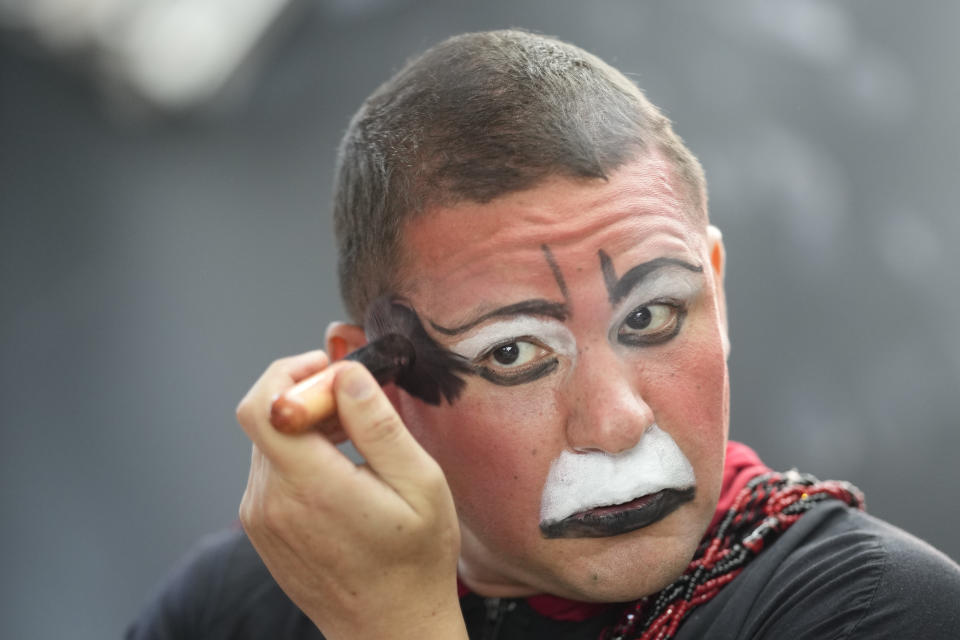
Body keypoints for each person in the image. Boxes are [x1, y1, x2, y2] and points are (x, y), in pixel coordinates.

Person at [127, 30, 960, 639]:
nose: (616, 422)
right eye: (514, 352)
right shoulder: (244, 602)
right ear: (383, 384)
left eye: (651, 316)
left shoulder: (874, 609)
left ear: (718, 293)